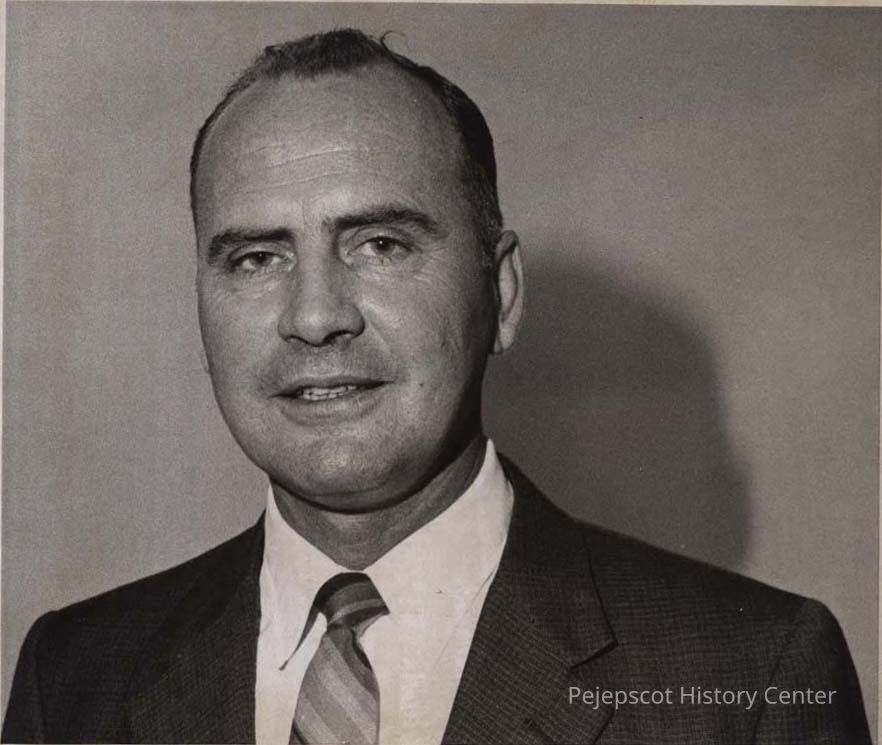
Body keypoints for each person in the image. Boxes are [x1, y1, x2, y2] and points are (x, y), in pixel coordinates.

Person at [2, 29, 870, 745]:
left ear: (501, 294)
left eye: (381, 244)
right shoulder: (71, 678)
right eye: (257, 258)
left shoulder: (751, 678)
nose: (315, 317)